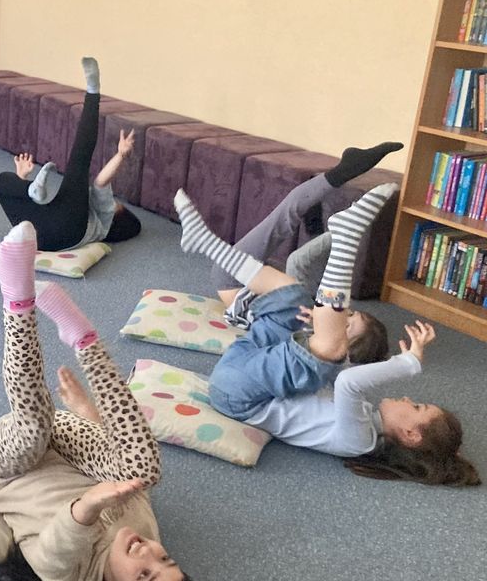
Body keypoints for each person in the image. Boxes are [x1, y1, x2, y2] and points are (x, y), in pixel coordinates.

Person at [0, 221, 208, 581]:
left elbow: (59, 540)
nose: (149, 551)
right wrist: (87, 411)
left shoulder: (67, 577)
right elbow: (126, 473)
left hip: (14, 465)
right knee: (145, 469)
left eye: (145, 574)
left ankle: (17, 301)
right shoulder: (146, 533)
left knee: (35, 423)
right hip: (71, 446)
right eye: (165, 559)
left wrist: (90, 504)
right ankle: (84, 339)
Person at [175, 186, 479, 487]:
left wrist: (408, 363)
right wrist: (315, 333)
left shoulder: (360, 441)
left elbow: (348, 383)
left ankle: (347, 238)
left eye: (417, 407)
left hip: (240, 393)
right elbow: (337, 374)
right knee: (291, 294)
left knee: (331, 349)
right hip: (251, 366)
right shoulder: (366, 416)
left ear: (411, 435)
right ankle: (205, 242)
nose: (409, 399)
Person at [209, 142, 403, 364]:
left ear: (344, 349)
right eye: (351, 314)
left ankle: (342, 217)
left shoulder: (302, 338)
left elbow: (297, 264)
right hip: (266, 283)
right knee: (289, 232)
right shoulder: (314, 319)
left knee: (283, 223)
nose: (345, 315)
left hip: (232, 279)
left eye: (348, 325)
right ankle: (339, 225)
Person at [0, 57, 142, 251]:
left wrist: (120, 155)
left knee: (79, 160)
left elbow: (101, 182)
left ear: (117, 218)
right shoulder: (92, 218)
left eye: (116, 205)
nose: (113, 202)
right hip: (41, 237)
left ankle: (93, 92)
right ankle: (30, 189)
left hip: (69, 228)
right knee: (1, 181)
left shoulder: (104, 216)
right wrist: (21, 177)